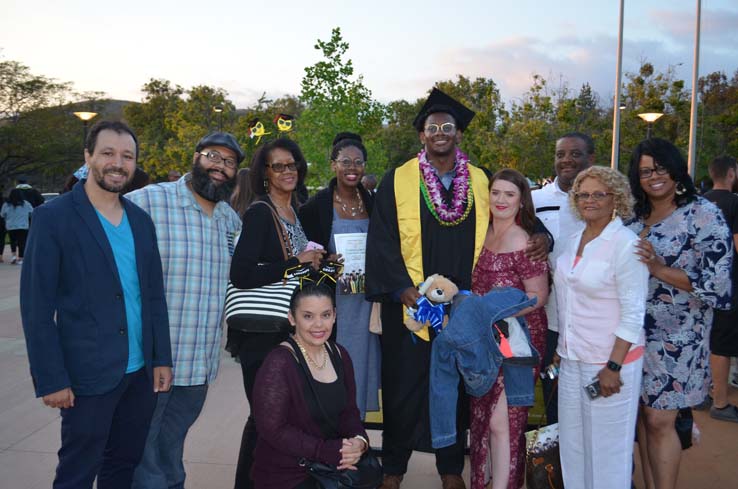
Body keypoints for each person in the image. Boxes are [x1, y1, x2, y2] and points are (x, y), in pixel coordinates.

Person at [19, 120, 173, 489]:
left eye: (127, 156)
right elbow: (36, 307)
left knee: (123, 465)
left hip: (140, 375)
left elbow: (152, 296)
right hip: (87, 375)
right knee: (77, 472)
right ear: (88, 157)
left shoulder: (141, 221)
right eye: (107, 153)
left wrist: (161, 357)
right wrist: (51, 378)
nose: (117, 163)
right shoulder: (52, 218)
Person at [366, 88, 490, 489]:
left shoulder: (480, 181)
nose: (439, 132)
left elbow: (508, 220)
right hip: (410, 304)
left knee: (454, 387)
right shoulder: (399, 179)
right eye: (431, 127)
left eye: (447, 126)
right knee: (403, 387)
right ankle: (393, 469)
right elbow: (382, 238)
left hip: (461, 304)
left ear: (457, 134)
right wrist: (402, 288)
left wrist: (541, 236)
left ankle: (451, 468)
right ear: (422, 135)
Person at [127, 132, 244, 489]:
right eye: (213, 156)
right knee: (141, 451)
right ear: (195, 157)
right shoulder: (148, 201)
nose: (220, 167)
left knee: (170, 444)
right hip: (153, 359)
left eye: (229, 162)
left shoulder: (229, 221)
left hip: (198, 365)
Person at [626, 138, 732, 489]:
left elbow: (717, 285)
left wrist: (658, 268)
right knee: (641, 418)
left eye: (660, 168)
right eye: (644, 171)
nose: (653, 176)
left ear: (676, 168)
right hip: (631, 332)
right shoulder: (633, 215)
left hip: (678, 336)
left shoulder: (702, 214)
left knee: (659, 420)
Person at [229, 138, 326, 489]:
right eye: (278, 166)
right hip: (260, 334)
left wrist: (320, 264)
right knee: (264, 419)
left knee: (281, 419)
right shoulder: (259, 212)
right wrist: (293, 263)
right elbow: (241, 274)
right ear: (264, 173)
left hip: (286, 333)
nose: (288, 171)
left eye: (292, 164)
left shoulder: (294, 212)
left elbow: (292, 272)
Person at [554, 166, 648, 489]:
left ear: (615, 199)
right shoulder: (573, 240)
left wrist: (613, 366)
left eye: (598, 194)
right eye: (583, 194)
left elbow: (634, 313)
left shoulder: (626, 244)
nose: (589, 200)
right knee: (573, 448)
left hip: (609, 365)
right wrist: (559, 350)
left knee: (608, 455)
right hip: (571, 359)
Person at [469, 169, 549, 489]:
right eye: (496, 192)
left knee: (503, 422)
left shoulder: (525, 241)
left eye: (509, 194)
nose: (501, 200)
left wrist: (497, 313)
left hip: (519, 340)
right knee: (483, 418)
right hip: (484, 340)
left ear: (521, 202)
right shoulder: (481, 233)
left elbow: (538, 297)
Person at [251, 283, 369, 489]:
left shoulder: (340, 355)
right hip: (287, 474)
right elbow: (273, 430)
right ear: (291, 318)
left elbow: (349, 412)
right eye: (308, 316)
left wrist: (359, 442)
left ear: (335, 315)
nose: (318, 325)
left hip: (331, 467)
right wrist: (327, 450)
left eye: (325, 315)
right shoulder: (278, 363)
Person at [299, 132, 380, 419]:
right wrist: (324, 259)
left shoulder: (374, 204)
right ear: (333, 164)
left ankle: (354, 434)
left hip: (367, 304)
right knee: (331, 371)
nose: (352, 168)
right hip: (333, 304)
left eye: (358, 162)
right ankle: (332, 438)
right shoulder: (315, 207)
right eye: (345, 161)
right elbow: (304, 256)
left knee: (360, 370)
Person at [531, 131, 594, 425]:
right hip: (552, 319)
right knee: (553, 391)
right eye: (560, 154)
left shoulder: (603, 201)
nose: (566, 160)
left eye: (575, 154)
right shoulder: (535, 199)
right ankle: (558, 467)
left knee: (592, 397)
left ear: (590, 159)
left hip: (593, 321)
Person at [702, 155, 738, 422]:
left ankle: (701, 392)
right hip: (727, 284)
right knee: (722, 344)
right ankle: (721, 401)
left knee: (703, 338)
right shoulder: (735, 203)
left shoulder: (697, 202)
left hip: (694, 283)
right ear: (732, 173)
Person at [1, 188, 33, 264]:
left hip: (11, 226)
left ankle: (13, 257)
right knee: (22, 242)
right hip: (23, 226)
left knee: (13, 241)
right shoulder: (25, 204)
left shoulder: (6, 204)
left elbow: (2, 215)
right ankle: (21, 258)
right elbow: (32, 213)